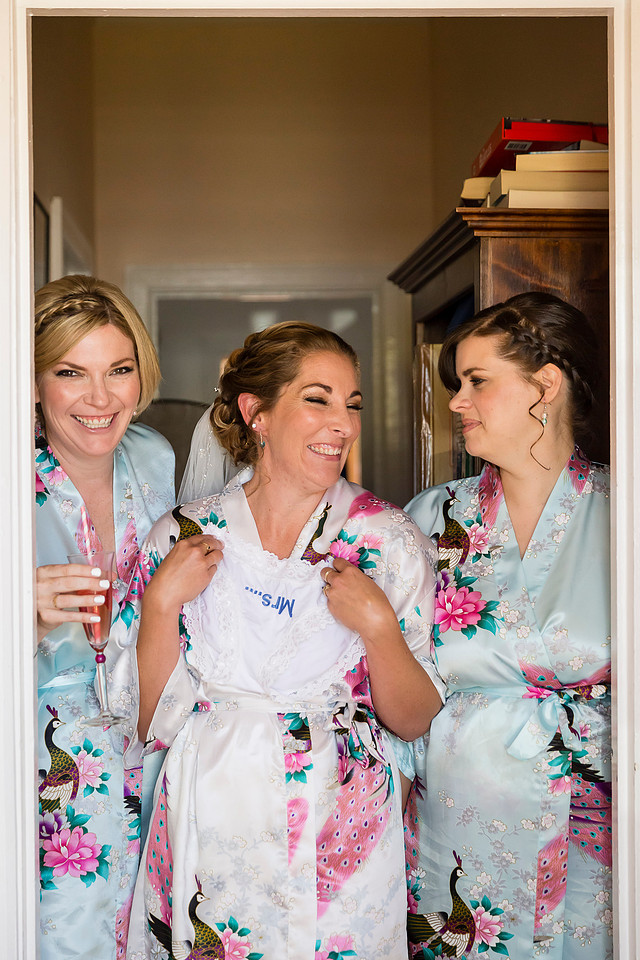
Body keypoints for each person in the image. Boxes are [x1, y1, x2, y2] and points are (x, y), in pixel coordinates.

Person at [113, 321, 444, 959]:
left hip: (339, 829)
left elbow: (414, 719)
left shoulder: (386, 540)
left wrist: (378, 627)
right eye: (318, 399)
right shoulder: (184, 535)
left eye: (352, 404)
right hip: (212, 814)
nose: (342, 424)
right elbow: (148, 721)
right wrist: (160, 604)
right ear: (255, 412)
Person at [403, 292, 611, 960]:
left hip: (596, 817)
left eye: (477, 381)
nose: (456, 402)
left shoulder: (624, 512)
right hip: (459, 824)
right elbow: (394, 684)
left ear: (544, 386)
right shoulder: (430, 520)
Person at [35, 275, 175, 959]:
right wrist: (22, 619)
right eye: (70, 373)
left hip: (148, 749)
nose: (100, 399)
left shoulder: (154, 457)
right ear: (33, 381)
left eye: (118, 370)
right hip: (41, 766)